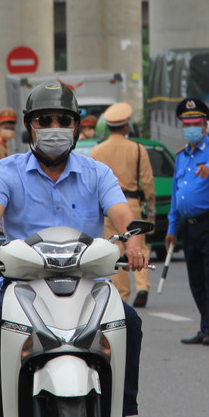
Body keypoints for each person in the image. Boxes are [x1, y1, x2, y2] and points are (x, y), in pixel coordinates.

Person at [0, 81, 147, 417]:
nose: (54, 126)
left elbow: (122, 217)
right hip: (23, 285)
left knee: (128, 320)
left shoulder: (97, 172)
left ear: (77, 126)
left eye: (63, 119)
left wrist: (133, 246)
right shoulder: (7, 171)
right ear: (31, 126)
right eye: (44, 119)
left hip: (88, 285)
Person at [164, 97, 209, 346]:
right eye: (186, 123)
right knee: (197, 279)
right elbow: (176, 192)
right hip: (189, 226)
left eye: (196, 122)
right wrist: (172, 227)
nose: (191, 127)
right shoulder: (181, 155)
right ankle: (205, 325)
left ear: (204, 126)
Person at [89, 101, 155, 307]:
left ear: (107, 127)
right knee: (138, 247)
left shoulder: (97, 151)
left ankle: (122, 294)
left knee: (116, 249)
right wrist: (150, 207)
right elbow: (148, 182)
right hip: (133, 203)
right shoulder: (137, 148)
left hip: (108, 208)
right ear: (126, 127)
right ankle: (142, 286)